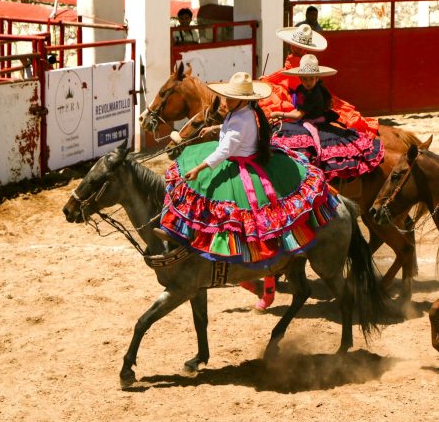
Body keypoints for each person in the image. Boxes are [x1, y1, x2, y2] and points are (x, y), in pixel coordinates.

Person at [155, 72, 339, 310]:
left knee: (229, 208)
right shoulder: (241, 112)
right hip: (236, 158)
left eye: (231, 97)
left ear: (242, 100)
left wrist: (200, 168)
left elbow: (224, 150)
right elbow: (230, 133)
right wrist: (216, 129)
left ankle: (235, 254)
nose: (226, 101)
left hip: (240, 166)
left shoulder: (242, 117)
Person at [269, 54, 383, 181]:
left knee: (306, 145)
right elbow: (298, 110)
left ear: (317, 78)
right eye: (305, 79)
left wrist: (278, 114)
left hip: (316, 123)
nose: (308, 82)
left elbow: (299, 114)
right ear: (300, 78)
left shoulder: (315, 93)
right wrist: (282, 117)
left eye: (311, 79)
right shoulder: (302, 89)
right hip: (305, 121)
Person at [259, 24, 379, 140]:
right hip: (298, 88)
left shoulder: (304, 61)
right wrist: (269, 78)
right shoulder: (304, 59)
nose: (295, 48)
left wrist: (269, 79)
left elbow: (287, 76)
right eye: (294, 45)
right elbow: (285, 73)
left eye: (299, 46)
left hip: (301, 91)